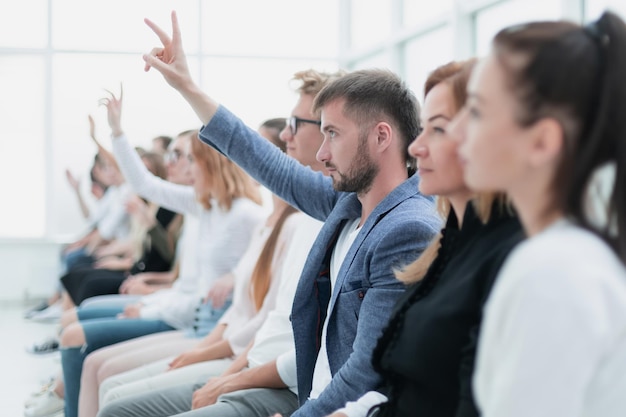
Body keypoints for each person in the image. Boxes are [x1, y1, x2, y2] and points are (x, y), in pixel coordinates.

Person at [136, 11, 440, 417]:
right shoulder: (346, 204)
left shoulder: (407, 229)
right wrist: (188, 88)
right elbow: (267, 162)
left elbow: (365, 371)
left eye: (332, 133)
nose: (321, 153)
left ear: (381, 136)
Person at [94, 72, 331, 417]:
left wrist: (223, 368)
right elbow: (264, 320)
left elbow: (273, 325)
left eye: (186, 157)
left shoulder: (263, 217)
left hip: (227, 342)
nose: (177, 165)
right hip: (224, 338)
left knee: (113, 393)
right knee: (109, 384)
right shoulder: (218, 209)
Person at [327, 60, 524, 417]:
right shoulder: (449, 242)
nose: (416, 148)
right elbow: (410, 383)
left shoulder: (505, 257)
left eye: (438, 129)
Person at [56, 89, 267, 417]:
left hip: (211, 327)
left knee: (105, 373)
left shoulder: (245, 214)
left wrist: (233, 276)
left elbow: (261, 269)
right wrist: (116, 132)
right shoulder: (203, 205)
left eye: (187, 160)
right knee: (98, 365)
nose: (178, 167)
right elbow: (145, 185)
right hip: (196, 320)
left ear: (208, 164)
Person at [456, 11, 626, 417]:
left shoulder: (552, 272)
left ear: (542, 141)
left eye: (476, 111)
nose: (458, 130)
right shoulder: (573, 257)